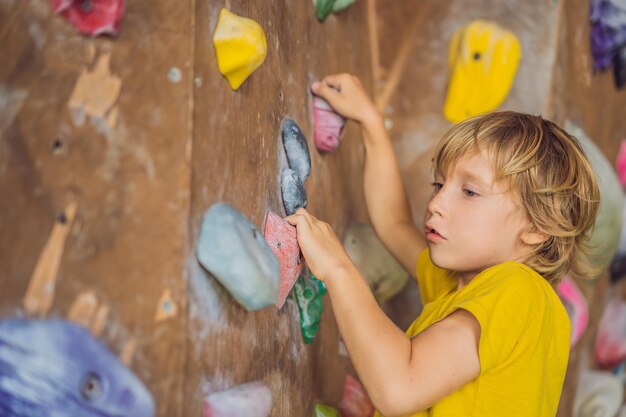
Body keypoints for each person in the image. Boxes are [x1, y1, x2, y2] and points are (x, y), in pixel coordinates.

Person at [285, 74, 600, 417]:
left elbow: (399, 387)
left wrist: (337, 268)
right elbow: (394, 224)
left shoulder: (521, 292)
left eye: (469, 192)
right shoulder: (462, 285)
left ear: (537, 227)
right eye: (438, 184)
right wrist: (370, 123)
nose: (435, 203)